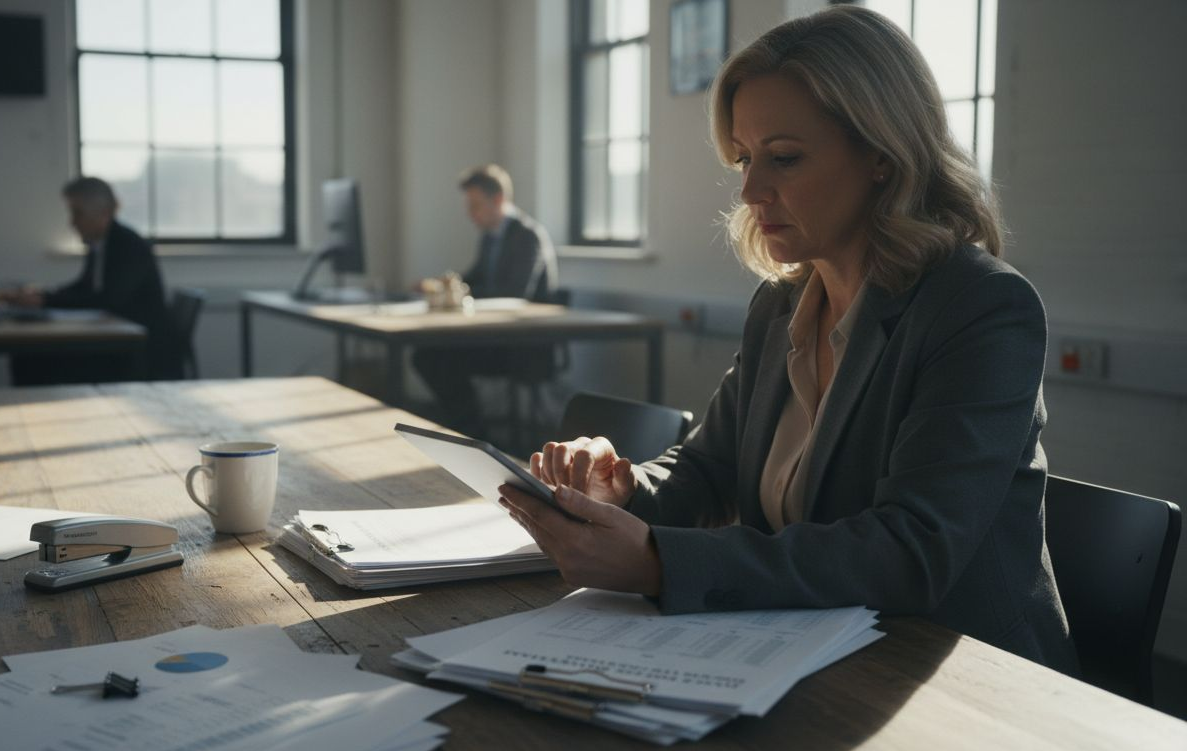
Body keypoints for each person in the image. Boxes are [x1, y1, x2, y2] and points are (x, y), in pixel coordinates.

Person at [498, 5, 1079, 674]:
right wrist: (620, 487)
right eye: (744, 158)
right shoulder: (781, 305)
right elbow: (708, 472)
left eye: (784, 158)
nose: (750, 189)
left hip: (962, 675)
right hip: (806, 648)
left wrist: (659, 561)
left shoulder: (980, 308)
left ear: (883, 157)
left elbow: (912, 549)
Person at [412, 164, 558, 438]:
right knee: (428, 355)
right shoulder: (490, 238)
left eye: (475, 205)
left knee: (437, 360)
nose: (470, 214)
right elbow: (472, 280)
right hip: (492, 338)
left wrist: (462, 293)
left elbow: (514, 294)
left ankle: (473, 434)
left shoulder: (528, 236)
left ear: (499, 200)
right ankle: (466, 429)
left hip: (522, 347)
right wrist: (441, 287)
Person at [7, 177, 179, 384]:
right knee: (28, 358)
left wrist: (45, 302)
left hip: (136, 356)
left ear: (104, 213)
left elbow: (107, 300)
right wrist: (43, 295)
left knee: (31, 362)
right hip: (115, 344)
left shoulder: (128, 246)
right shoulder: (100, 244)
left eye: (77, 213)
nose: (72, 222)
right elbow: (84, 286)